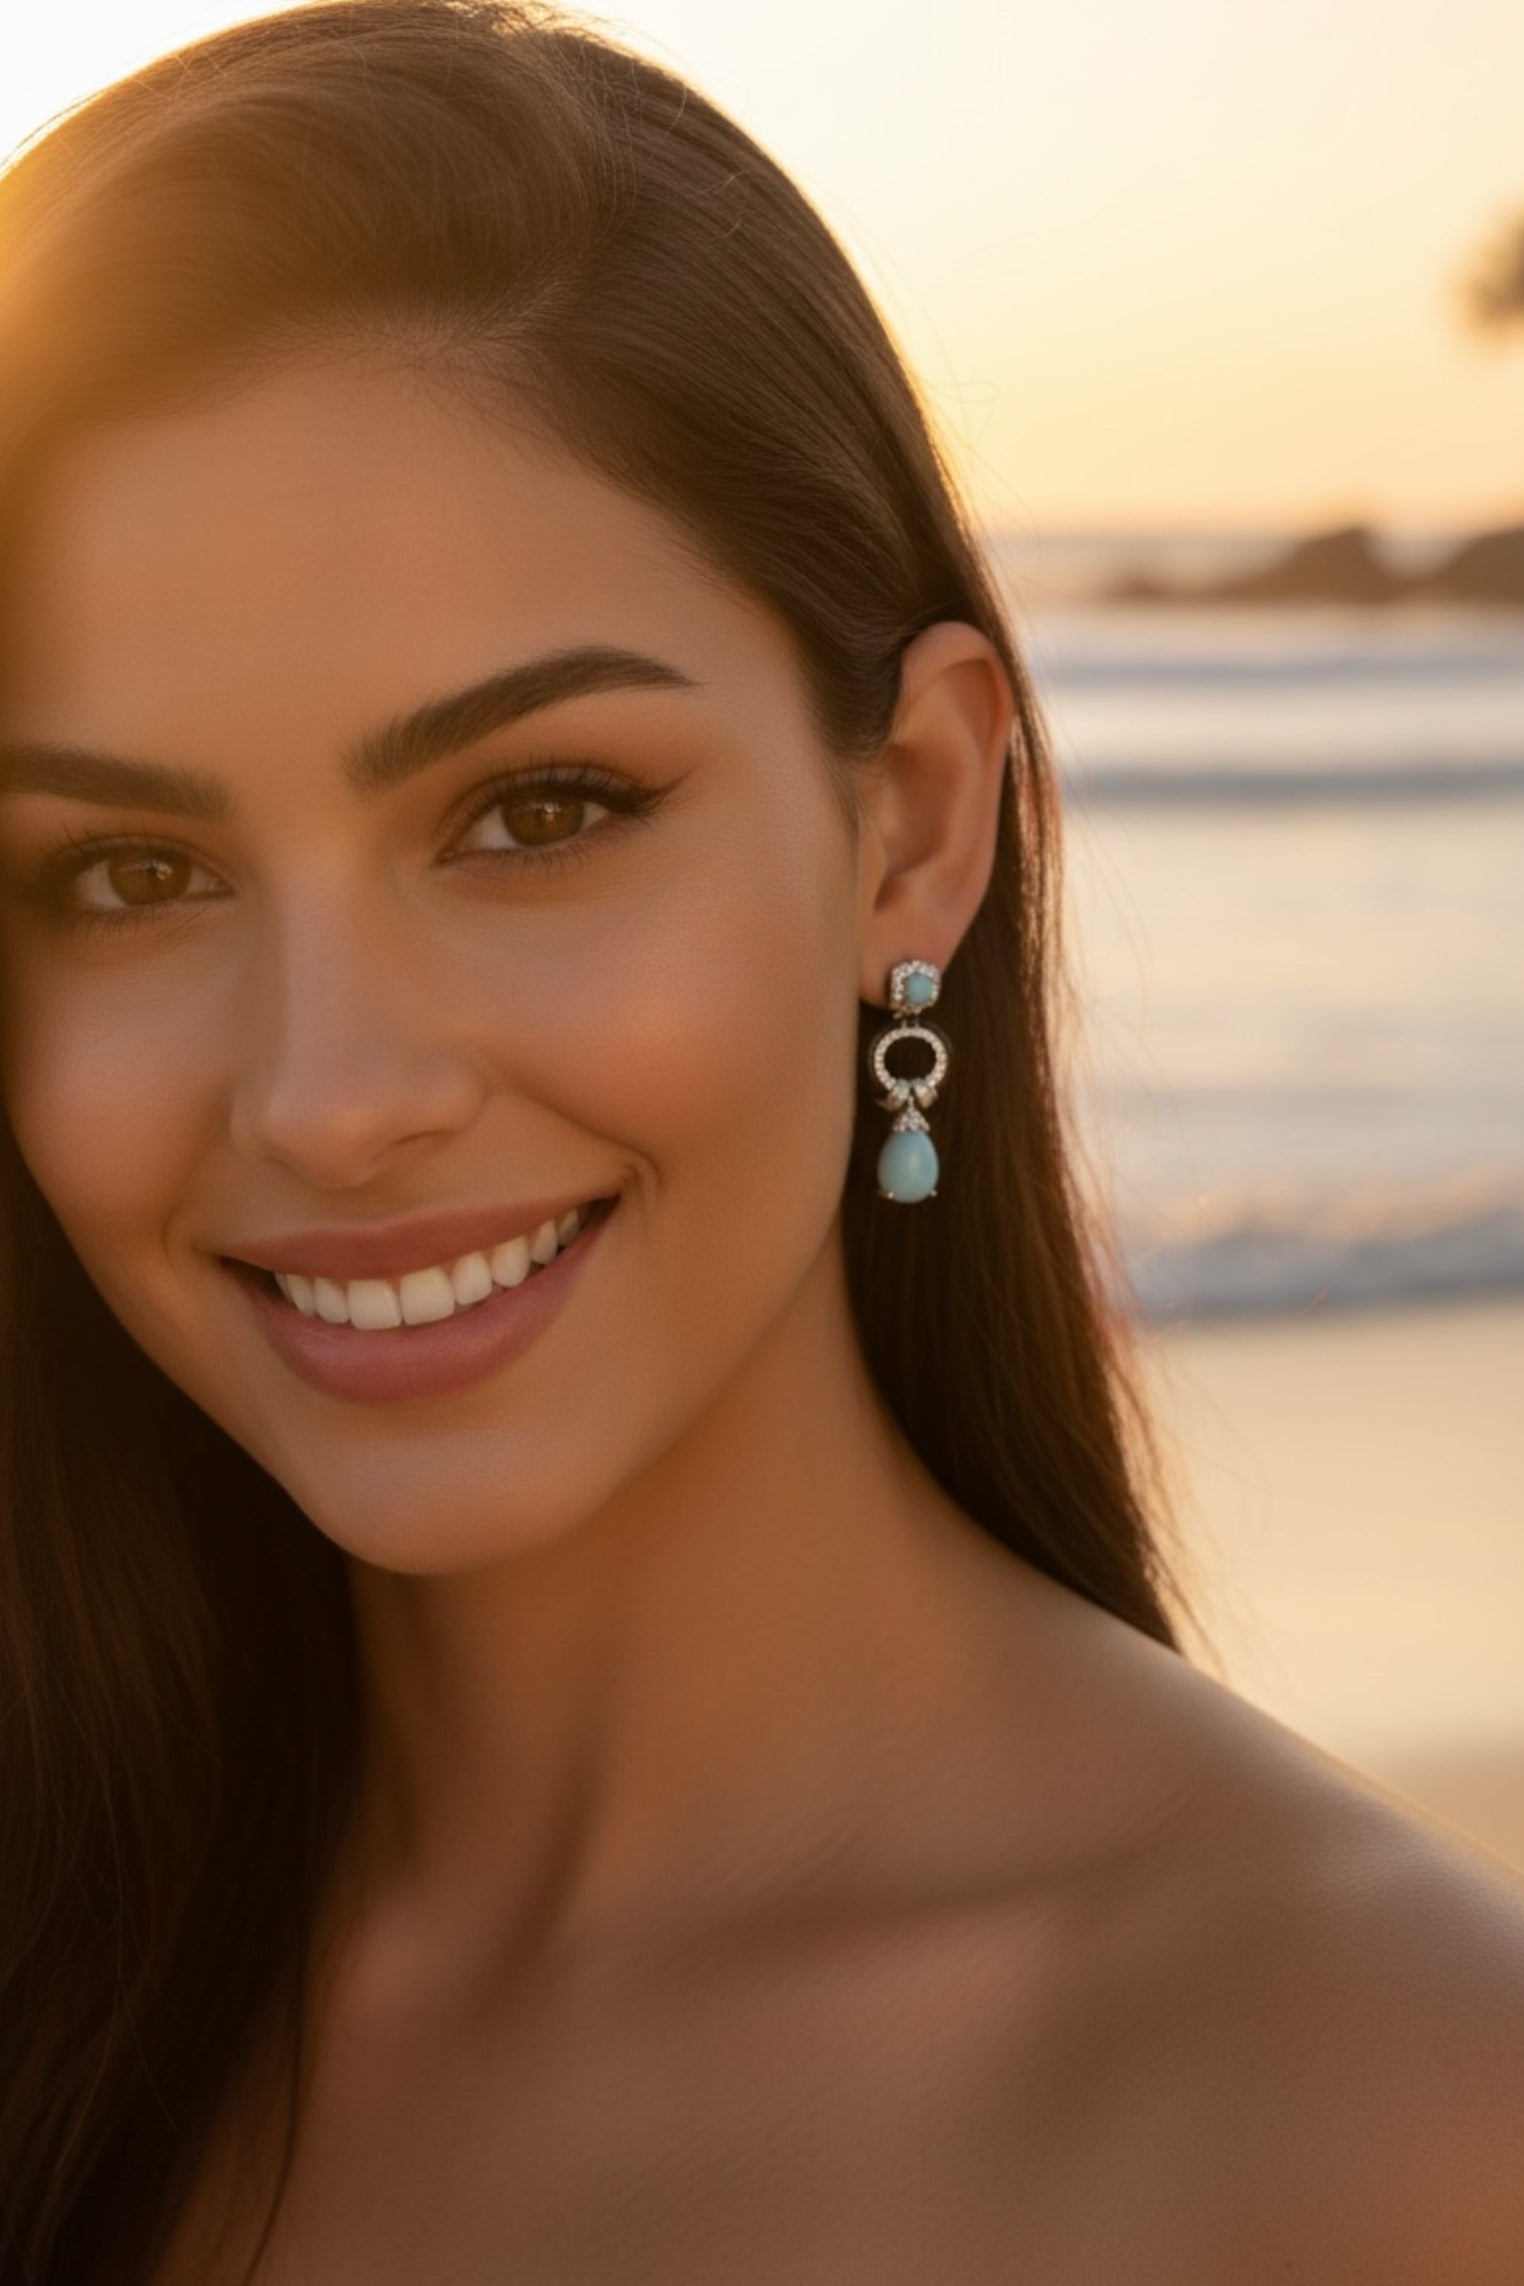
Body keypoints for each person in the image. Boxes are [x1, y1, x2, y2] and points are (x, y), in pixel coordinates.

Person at [0, 4, 1520, 2280]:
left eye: (539, 813)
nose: (328, 1093)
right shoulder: (73, 1964)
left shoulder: (1404, 2126)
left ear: (913, 821)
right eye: (133, 874)